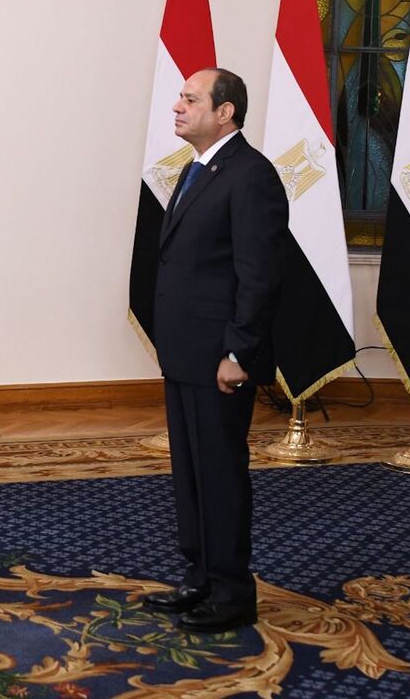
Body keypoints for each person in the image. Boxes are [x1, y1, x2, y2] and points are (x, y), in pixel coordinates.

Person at [141, 68, 287, 633]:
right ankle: (200, 577)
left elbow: (260, 276)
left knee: (221, 471)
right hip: (185, 353)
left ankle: (231, 593)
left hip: (220, 358)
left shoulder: (251, 176)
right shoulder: (198, 169)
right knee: (192, 471)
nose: (177, 106)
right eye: (179, 96)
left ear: (225, 112)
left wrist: (240, 352)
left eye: (190, 98)